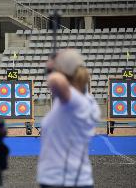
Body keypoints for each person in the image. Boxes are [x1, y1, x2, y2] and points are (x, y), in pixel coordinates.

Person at [37, 49, 101, 188]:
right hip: (74, 178)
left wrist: (52, 68)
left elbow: (55, 82)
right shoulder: (86, 99)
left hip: (62, 180)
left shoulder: (75, 101)